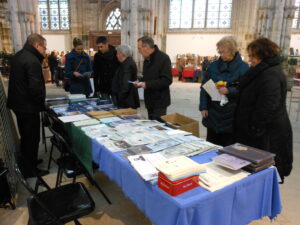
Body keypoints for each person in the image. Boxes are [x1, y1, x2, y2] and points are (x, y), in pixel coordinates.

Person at [235, 38, 293, 183]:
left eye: (252, 56)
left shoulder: (270, 74)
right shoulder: (261, 71)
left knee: (265, 173)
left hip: (267, 135)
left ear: (263, 55)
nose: (250, 60)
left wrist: (254, 130)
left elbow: (267, 107)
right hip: (259, 132)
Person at [7, 33, 49, 178]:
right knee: (31, 137)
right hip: (28, 106)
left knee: (26, 136)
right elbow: (35, 88)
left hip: (19, 104)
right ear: (37, 46)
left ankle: (29, 162)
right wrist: (42, 105)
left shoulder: (20, 55)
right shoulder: (32, 61)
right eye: (44, 48)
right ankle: (31, 170)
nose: (45, 51)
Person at [199, 36, 248, 146]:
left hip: (231, 115)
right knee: (211, 147)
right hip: (213, 112)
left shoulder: (244, 68)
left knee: (228, 150)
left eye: (224, 52)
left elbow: (247, 91)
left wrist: (230, 91)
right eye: (220, 52)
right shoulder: (213, 65)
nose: (222, 55)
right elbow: (204, 87)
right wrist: (203, 107)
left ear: (233, 50)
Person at [136, 36, 172, 121]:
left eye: (139, 48)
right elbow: (148, 77)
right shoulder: (147, 59)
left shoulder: (164, 58)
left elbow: (167, 80)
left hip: (160, 101)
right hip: (149, 100)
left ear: (147, 47)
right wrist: (139, 82)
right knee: (151, 125)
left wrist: (147, 84)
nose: (139, 52)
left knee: (159, 127)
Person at [112, 44, 140, 109]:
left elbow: (125, 85)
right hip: (127, 99)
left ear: (122, 54)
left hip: (127, 101)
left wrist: (119, 98)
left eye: (117, 54)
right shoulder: (126, 63)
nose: (116, 56)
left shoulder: (127, 65)